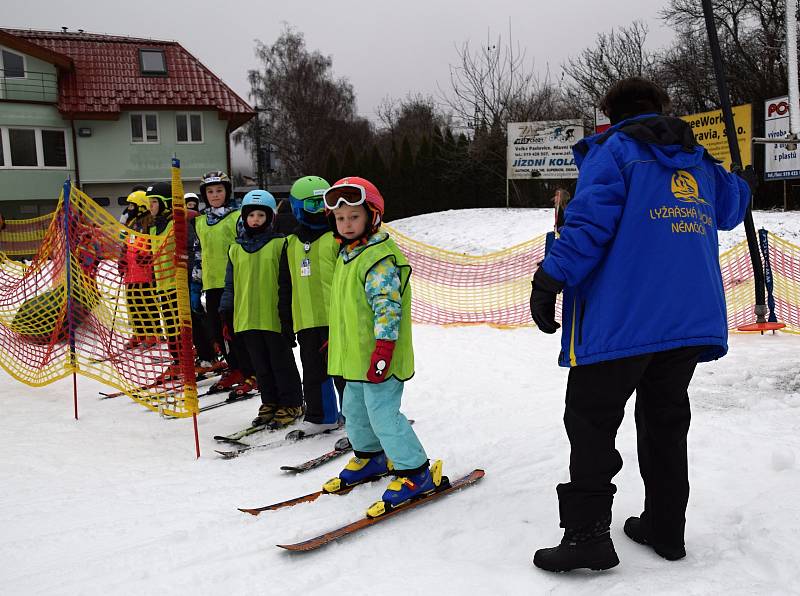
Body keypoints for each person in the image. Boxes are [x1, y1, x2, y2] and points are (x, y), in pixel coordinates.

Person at [529, 77, 752, 572]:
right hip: (686, 324)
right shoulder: (697, 156)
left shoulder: (614, 151)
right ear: (662, 108)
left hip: (621, 321)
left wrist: (549, 278)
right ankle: (665, 527)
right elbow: (732, 207)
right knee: (665, 422)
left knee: (590, 422)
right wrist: (741, 176)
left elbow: (589, 226)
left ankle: (587, 535)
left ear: (610, 113)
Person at [320, 176, 443, 518]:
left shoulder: (378, 257)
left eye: (353, 217)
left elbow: (387, 307)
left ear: (371, 217)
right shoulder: (348, 254)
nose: (346, 224)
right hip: (355, 356)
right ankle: (371, 456)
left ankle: (415, 471)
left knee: (383, 414)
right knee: (355, 412)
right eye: (340, 218)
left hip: (379, 357)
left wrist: (384, 349)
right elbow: (351, 307)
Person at [220, 190, 304, 428]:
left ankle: (291, 402)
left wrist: (288, 316)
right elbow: (230, 284)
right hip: (246, 318)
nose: (255, 219)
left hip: (273, 318)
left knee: (281, 363)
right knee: (260, 367)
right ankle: (270, 401)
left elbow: (288, 283)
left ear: (270, 217)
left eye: (261, 215)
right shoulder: (235, 248)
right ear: (244, 218)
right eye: (251, 215)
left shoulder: (281, 244)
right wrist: (226, 313)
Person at [278, 175, 346, 437]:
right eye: (312, 204)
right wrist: (285, 320)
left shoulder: (337, 238)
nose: (320, 210)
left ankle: (356, 418)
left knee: (343, 372)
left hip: (336, 319)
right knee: (313, 372)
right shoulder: (291, 243)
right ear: (297, 207)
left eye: (324, 203)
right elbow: (285, 285)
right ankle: (322, 416)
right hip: (306, 321)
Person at [192, 171, 255, 393]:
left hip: (234, 283)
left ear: (227, 192)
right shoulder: (200, 221)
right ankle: (234, 367)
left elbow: (246, 247)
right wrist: (196, 283)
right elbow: (199, 252)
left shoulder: (236, 217)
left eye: (219, 190)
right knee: (218, 332)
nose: (215, 195)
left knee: (236, 330)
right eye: (210, 191)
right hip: (211, 284)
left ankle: (250, 370)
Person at [118, 189, 160, 349]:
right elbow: (124, 243)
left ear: (141, 206)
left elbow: (155, 244)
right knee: (133, 304)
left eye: (132, 205)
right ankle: (138, 332)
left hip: (145, 272)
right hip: (131, 272)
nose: (129, 208)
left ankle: (152, 334)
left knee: (147, 303)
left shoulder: (150, 222)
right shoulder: (131, 223)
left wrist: (149, 255)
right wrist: (121, 260)